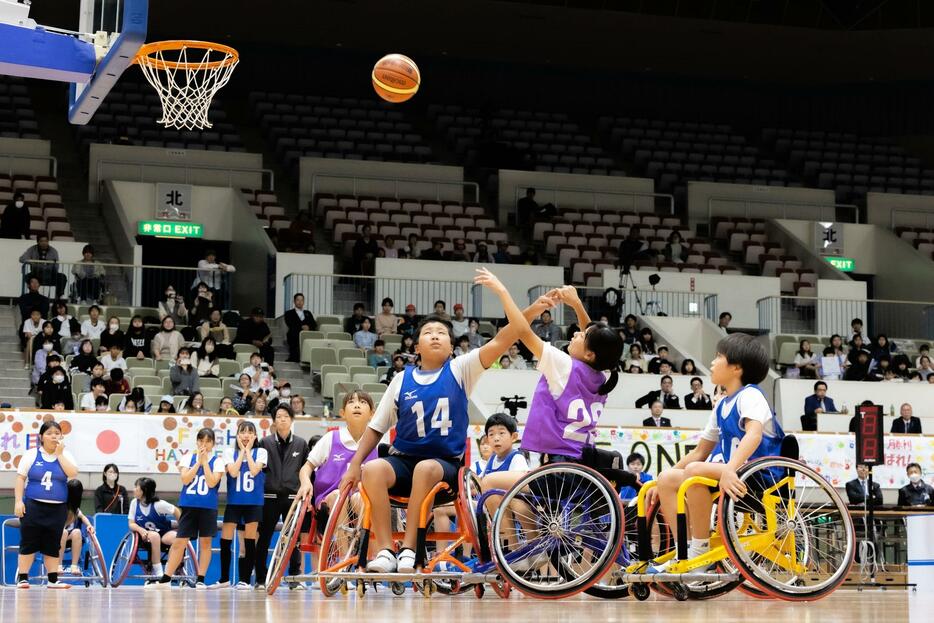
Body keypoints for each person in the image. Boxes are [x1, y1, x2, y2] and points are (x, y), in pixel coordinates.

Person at [338, 277, 531, 574]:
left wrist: (505, 292)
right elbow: (376, 428)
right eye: (428, 332)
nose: (436, 335)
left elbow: (507, 336)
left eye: (442, 332)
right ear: (417, 345)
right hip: (403, 463)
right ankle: (387, 550)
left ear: (452, 345)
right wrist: (354, 465)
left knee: (425, 468)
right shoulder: (401, 379)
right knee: (372, 469)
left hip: (445, 467)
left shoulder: (460, 369)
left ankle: (411, 548)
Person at [470, 275, 626, 563]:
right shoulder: (601, 375)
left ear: (588, 352)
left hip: (556, 471)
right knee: (512, 495)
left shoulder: (564, 365)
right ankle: (528, 549)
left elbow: (520, 329)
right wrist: (577, 304)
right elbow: (595, 340)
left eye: (580, 336)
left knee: (487, 483)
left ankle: (519, 551)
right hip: (577, 467)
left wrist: (504, 291)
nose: (576, 334)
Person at [646, 333, 781, 570]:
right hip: (731, 473)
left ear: (736, 367)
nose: (712, 362)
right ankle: (684, 550)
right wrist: (660, 480)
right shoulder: (722, 405)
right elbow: (700, 451)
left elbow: (754, 434)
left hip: (759, 476)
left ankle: (700, 550)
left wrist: (730, 468)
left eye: (718, 357)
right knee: (667, 479)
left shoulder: (751, 394)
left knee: (695, 471)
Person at [147, 428, 224, 589]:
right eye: (201, 440)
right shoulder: (188, 457)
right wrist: (198, 462)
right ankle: (166, 578)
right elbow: (185, 479)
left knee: (205, 542)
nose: (204, 444)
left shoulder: (217, 461)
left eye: (207, 441)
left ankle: (201, 578)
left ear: (212, 443)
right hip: (188, 505)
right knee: (179, 542)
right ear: (197, 442)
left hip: (208, 507)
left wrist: (205, 463)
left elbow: (211, 482)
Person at [297, 391, 379, 527]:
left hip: (361, 499)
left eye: (362, 402)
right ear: (342, 413)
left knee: (363, 498)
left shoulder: (376, 443)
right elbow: (307, 467)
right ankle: (342, 547)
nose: (357, 406)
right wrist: (306, 482)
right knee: (338, 496)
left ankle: (365, 544)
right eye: (351, 402)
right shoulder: (331, 438)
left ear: (372, 414)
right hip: (329, 499)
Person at [14, 420, 78, 589]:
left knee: (53, 543)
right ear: (41, 437)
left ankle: (52, 579)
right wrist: (19, 501)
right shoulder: (31, 454)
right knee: (28, 541)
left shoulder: (66, 455)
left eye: (57, 433)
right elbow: (20, 478)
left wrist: (59, 454)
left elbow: (72, 473)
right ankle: (23, 578)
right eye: (49, 433)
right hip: (33, 506)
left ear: (61, 436)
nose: (53, 436)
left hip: (57, 508)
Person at [254, 404, 309, 589]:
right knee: (264, 538)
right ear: (274, 421)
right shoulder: (265, 443)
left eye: (286, 416)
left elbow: (307, 472)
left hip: (293, 498)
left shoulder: (301, 444)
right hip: (269, 497)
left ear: (291, 419)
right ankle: (261, 579)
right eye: (278, 416)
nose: (282, 419)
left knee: (293, 539)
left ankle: (294, 577)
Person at [219, 421, 267, 589]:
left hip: (253, 503)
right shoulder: (229, 452)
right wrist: (242, 452)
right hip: (234, 502)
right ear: (237, 435)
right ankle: (224, 578)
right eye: (243, 431)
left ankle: (245, 580)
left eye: (250, 432)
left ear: (255, 435)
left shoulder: (261, 452)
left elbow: (254, 471)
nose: (246, 434)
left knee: (249, 541)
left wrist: (247, 450)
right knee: (225, 540)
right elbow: (232, 472)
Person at [128, 477, 180, 583]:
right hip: (145, 536)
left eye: (136, 487)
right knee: (154, 536)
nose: (134, 489)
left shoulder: (159, 504)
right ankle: (159, 572)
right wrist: (141, 530)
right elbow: (131, 524)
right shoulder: (134, 503)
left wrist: (182, 525)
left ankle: (169, 571)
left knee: (177, 538)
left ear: (144, 491)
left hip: (163, 532)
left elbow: (176, 511)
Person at [58, 480, 95, 576]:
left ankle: (74, 566)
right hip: (56, 536)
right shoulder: (60, 504)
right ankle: (58, 565)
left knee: (77, 532)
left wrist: (89, 525)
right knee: (64, 532)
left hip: (69, 538)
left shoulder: (75, 508)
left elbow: (82, 517)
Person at [20, 233, 67, 300]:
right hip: (36, 274)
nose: (44, 243)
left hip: (50, 274)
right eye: (41, 241)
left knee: (62, 277)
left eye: (46, 241)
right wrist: (31, 262)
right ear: (38, 242)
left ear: (48, 241)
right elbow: (21, 258)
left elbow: (56, 267)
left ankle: (58, 298)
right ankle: (32, 296)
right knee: (27, 277)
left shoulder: (53, 251)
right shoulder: (32, 249)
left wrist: (42, 267)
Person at [284, 293, 317, 362]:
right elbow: (289, 324)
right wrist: (301, 327)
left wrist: (308, 327)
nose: (300, 302)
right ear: (294, 301)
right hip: (295, 333)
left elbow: (314, 324)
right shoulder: (289, 313)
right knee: (292, 334)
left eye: (302, 300)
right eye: (298, 300)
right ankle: (294, 357)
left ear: (303, 302)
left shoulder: (308, 313)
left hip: (307, 334)